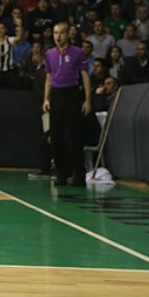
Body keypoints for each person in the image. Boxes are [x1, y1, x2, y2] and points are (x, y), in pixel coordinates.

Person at [43, 22, 92, 187]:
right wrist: (46, 98)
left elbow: (85, 75)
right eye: (55, 33)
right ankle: (61, 173)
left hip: (71, 93)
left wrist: (87, 99)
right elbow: (48, 77)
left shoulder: (77, 52)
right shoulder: (49, 54)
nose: (58, 36)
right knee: (56, 137)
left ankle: (78, 174)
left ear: (68, 35)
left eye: (61, 33)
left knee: (73, 136)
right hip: (56, 95)